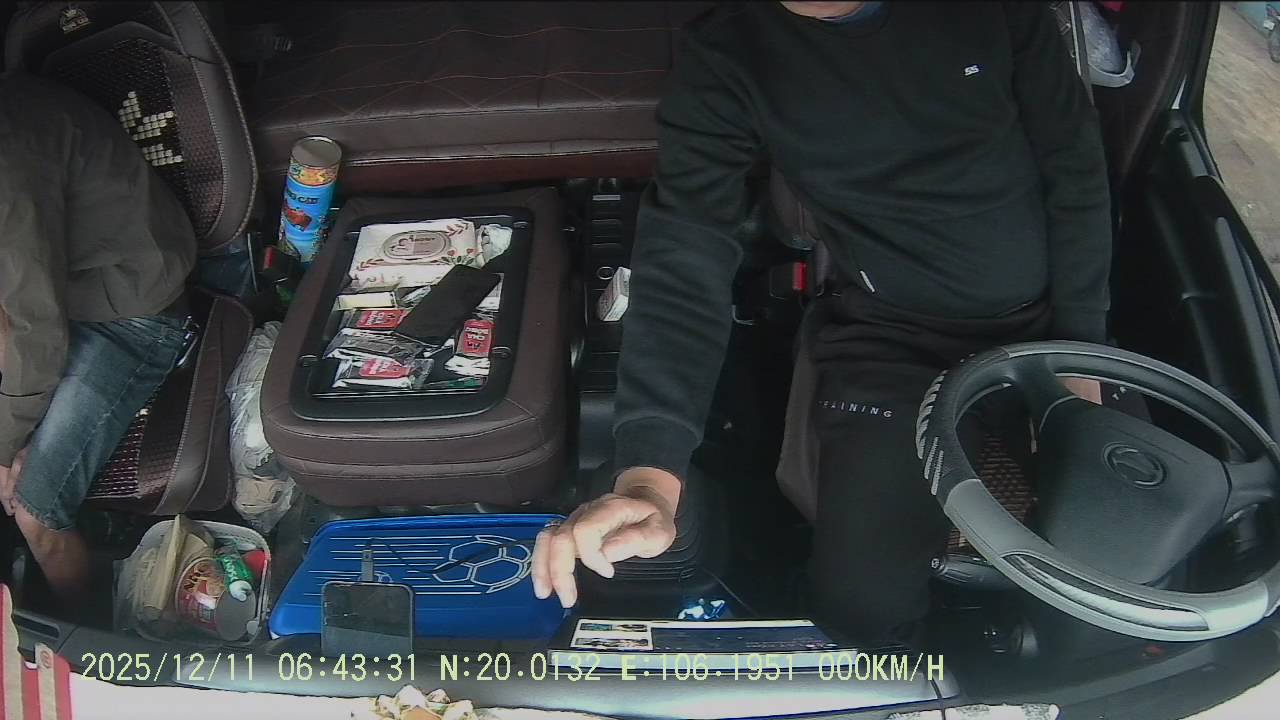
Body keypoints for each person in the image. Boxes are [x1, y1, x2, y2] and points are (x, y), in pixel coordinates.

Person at [532, 0, 1112, 644]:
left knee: (1114, 588)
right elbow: (684, 258)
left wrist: (1081, 352)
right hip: (892, 341)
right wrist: (649, 477)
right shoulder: (730, 51)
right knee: (859, 610)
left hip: (1053, 330)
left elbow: (1075, 167)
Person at [0, 73, 196, 607]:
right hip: (65, 294)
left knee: (35, 512)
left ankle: (85, 626)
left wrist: (7, 443)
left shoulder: (9, 156)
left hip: (131, 312)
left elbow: (35, 327)